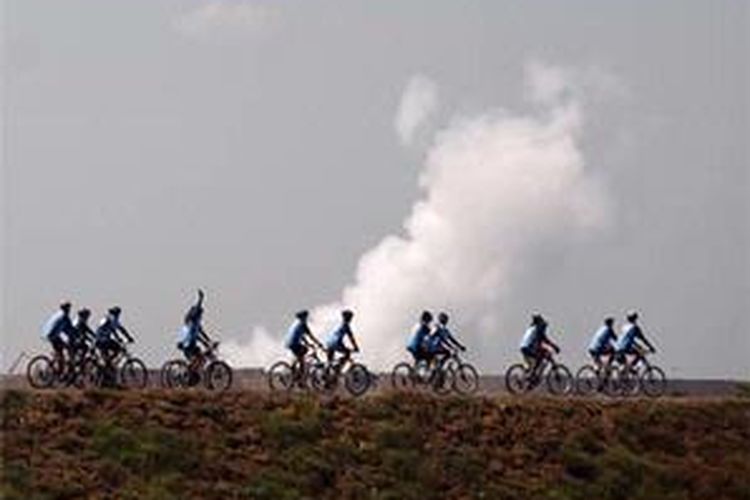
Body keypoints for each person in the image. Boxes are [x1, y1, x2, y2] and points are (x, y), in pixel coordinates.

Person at [178, 289, 212, 363]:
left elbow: (202, 333)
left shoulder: (197, 325)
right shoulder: (192, 322)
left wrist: (209, 340)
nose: (201, 316)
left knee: (201, 358)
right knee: (199, 358)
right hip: (188, 345)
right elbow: (197, 308)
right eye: (200, 314)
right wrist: (201, 299)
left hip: (191, 344)